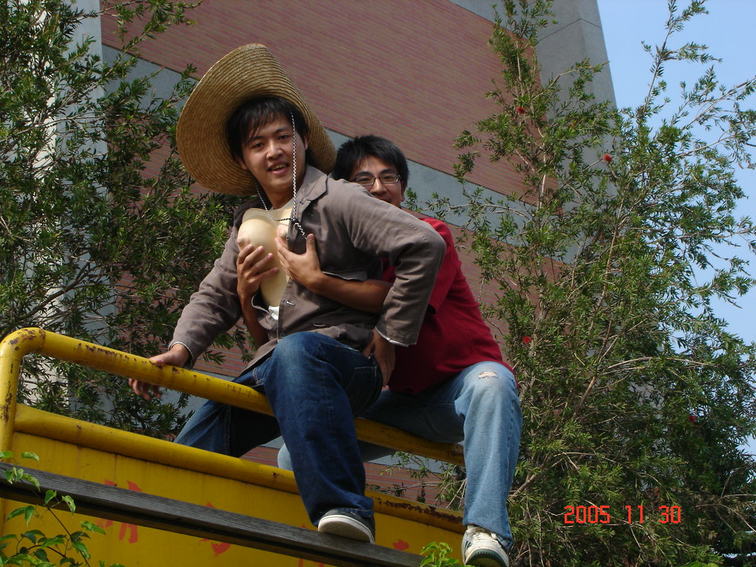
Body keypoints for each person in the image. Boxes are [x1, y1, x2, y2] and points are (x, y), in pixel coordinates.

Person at [128, 46, 445, 544]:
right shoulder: (249, 224)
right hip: (275, 366)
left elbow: (424, 245)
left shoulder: (339, 198)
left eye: (283, 137)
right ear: (243, 159)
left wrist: (390, 335)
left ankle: (345, 507)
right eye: (258, 144)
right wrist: (181, 348)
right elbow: (214, 294)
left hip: (344, 361)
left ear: (303, 141)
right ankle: (151, 527)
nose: (274, 151)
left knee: (298, 352)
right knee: (191, 450)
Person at [273, 135, 522, 567]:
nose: (379, 187)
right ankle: (322, 538)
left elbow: (405, 299)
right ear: (345, 192)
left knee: (493, 383)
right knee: (291, 453)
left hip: (458, 391)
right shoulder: (348, 259)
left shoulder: (429, 236)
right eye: (363, 179)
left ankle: (486, 530)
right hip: (403, 404)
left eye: (389, 177)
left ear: (403, 187)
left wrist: (318, 282)